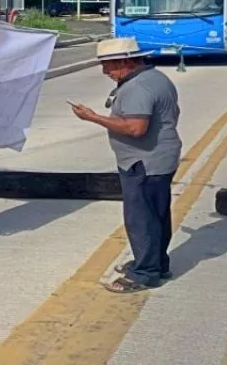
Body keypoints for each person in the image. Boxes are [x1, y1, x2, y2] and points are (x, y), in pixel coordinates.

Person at [69, 36, 181, 293]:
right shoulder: (156, 78)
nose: (105, 71)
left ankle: (145, 273)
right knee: (156, 215)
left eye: (109, 65)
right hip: (159, 157)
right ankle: (156, 263)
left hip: (144, 162)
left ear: (127, 61)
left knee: (141, 219)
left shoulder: (137, 88)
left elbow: (135, 128)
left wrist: (93, 117)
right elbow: (174, 113)